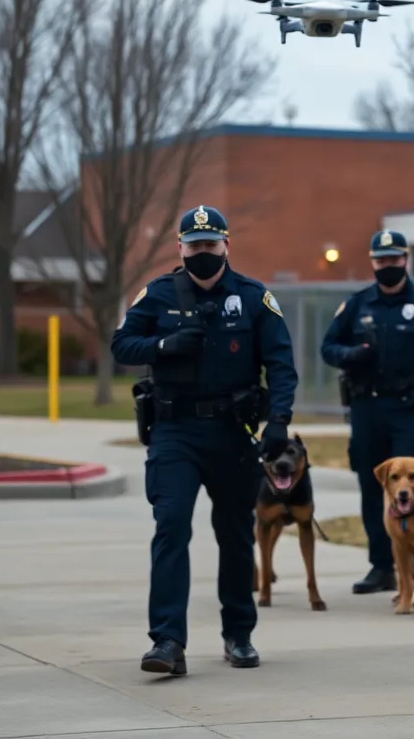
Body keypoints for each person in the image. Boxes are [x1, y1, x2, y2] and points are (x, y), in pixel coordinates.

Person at [112, 204, 298, 676]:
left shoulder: (254, 298)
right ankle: (167, 642)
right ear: (180, 248)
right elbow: (121, 345)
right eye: (193, 246)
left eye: (210, 245)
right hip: (174, 431)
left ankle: (239, 635)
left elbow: (280, 364)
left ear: (226, 246)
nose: (202, 254)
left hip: (233, 433)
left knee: (235, 535)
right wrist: (160, 346)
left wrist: (278, 423)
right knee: (171, 525)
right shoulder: (157, 295)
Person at [320, 229, 414, 595]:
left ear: (405, 260)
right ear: (372, 262)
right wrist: (350, 356)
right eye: (381, 260)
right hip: (367, 407)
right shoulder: (357, 304)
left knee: (413, 487)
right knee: (373, 488)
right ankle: (382, 567)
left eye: (394, 259)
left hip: (408, 408)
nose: (387, 266)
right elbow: (328, 346)